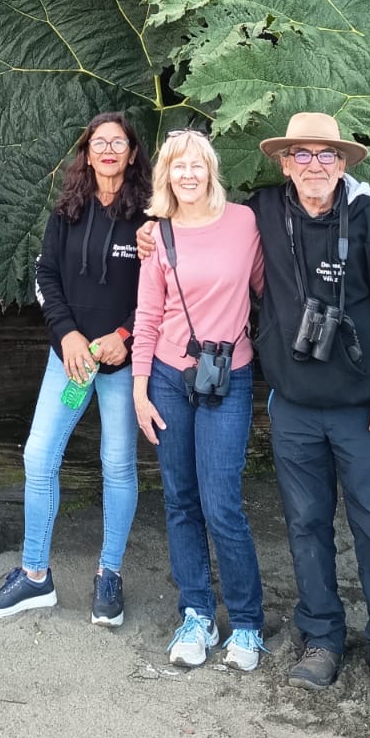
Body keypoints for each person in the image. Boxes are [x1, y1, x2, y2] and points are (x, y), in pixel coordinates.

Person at [250, 113, 370, 724]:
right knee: (305, 528)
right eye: (300, 156)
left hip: (362, 411)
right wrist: (153, 236)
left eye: (326, 156)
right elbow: (198, 226)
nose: (313, 167)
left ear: (344, 163)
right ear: (283, 163)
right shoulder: (262, 214)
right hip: (295, 408)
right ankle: (323, 638)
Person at [0, 113, 152, 626]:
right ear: (87, 151)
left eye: (118, 142)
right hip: (70, 357)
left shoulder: (149, 217)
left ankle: (110, 575)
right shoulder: (67, 209)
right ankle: (35, 576)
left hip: (121, 359)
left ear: (133, 154)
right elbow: (45, 277)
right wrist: (68, 335)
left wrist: (125, 336)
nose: (108, 150)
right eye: (99, 142)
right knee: (38, 458)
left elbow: (160, 289)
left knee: (117, 466)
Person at [132, 130, 267, 673]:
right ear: (165, 175)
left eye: (197, 165)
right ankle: (196, 612)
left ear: (211, 170)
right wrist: (140, 389)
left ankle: (248, 621)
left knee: (223, 504)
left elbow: (267, 288)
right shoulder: (158, 237)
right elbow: (146, 317)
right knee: (180, 500)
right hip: (169, 377)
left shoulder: (244, 223)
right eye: (177, 166)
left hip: (228, 377)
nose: (187, 174)